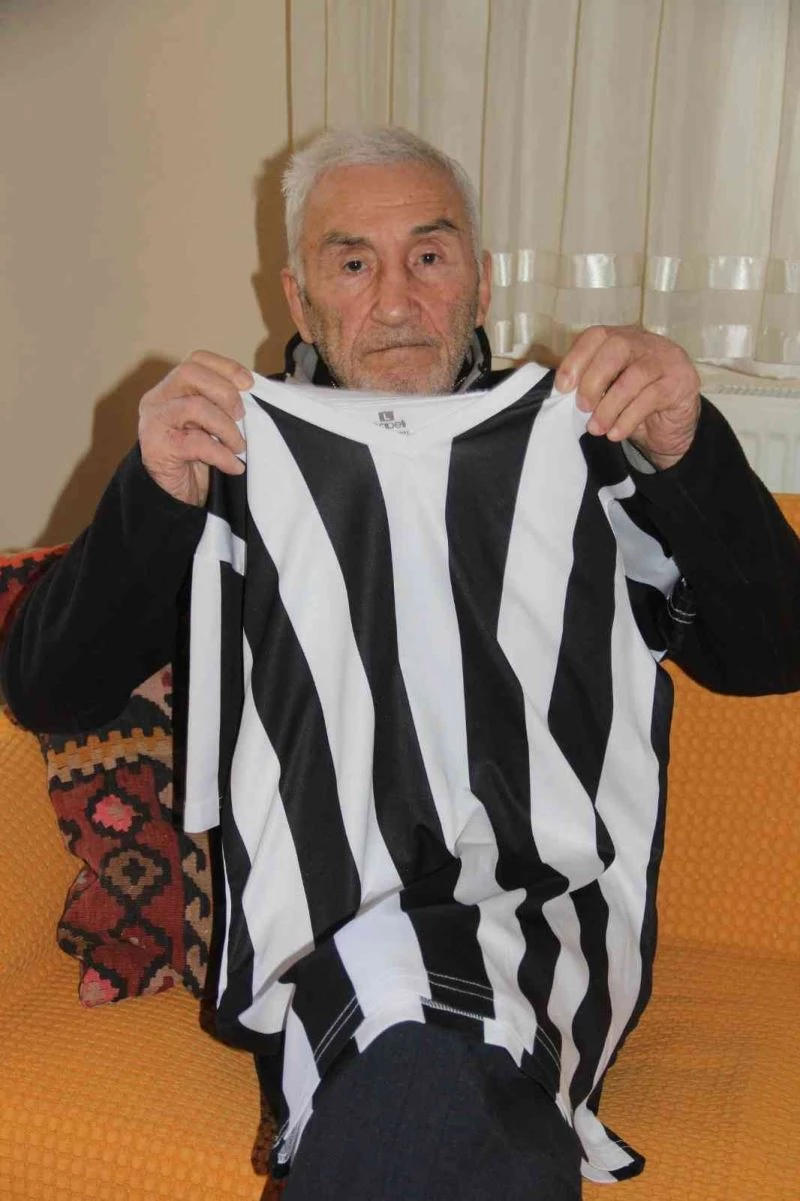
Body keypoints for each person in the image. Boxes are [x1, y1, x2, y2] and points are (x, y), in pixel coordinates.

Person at [2, 127, 799, 1201]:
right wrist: (150, 494)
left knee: (426, 1055)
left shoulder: (585, 443)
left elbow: (770, 651)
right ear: (299, 298)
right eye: (351, 262)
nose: (394, 300)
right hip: (321, 933)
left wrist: (687, 441)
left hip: (545, 920)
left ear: (481, 278)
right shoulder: (228, 460)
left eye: (428, 255)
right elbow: (49, 687)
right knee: (429, 1059)